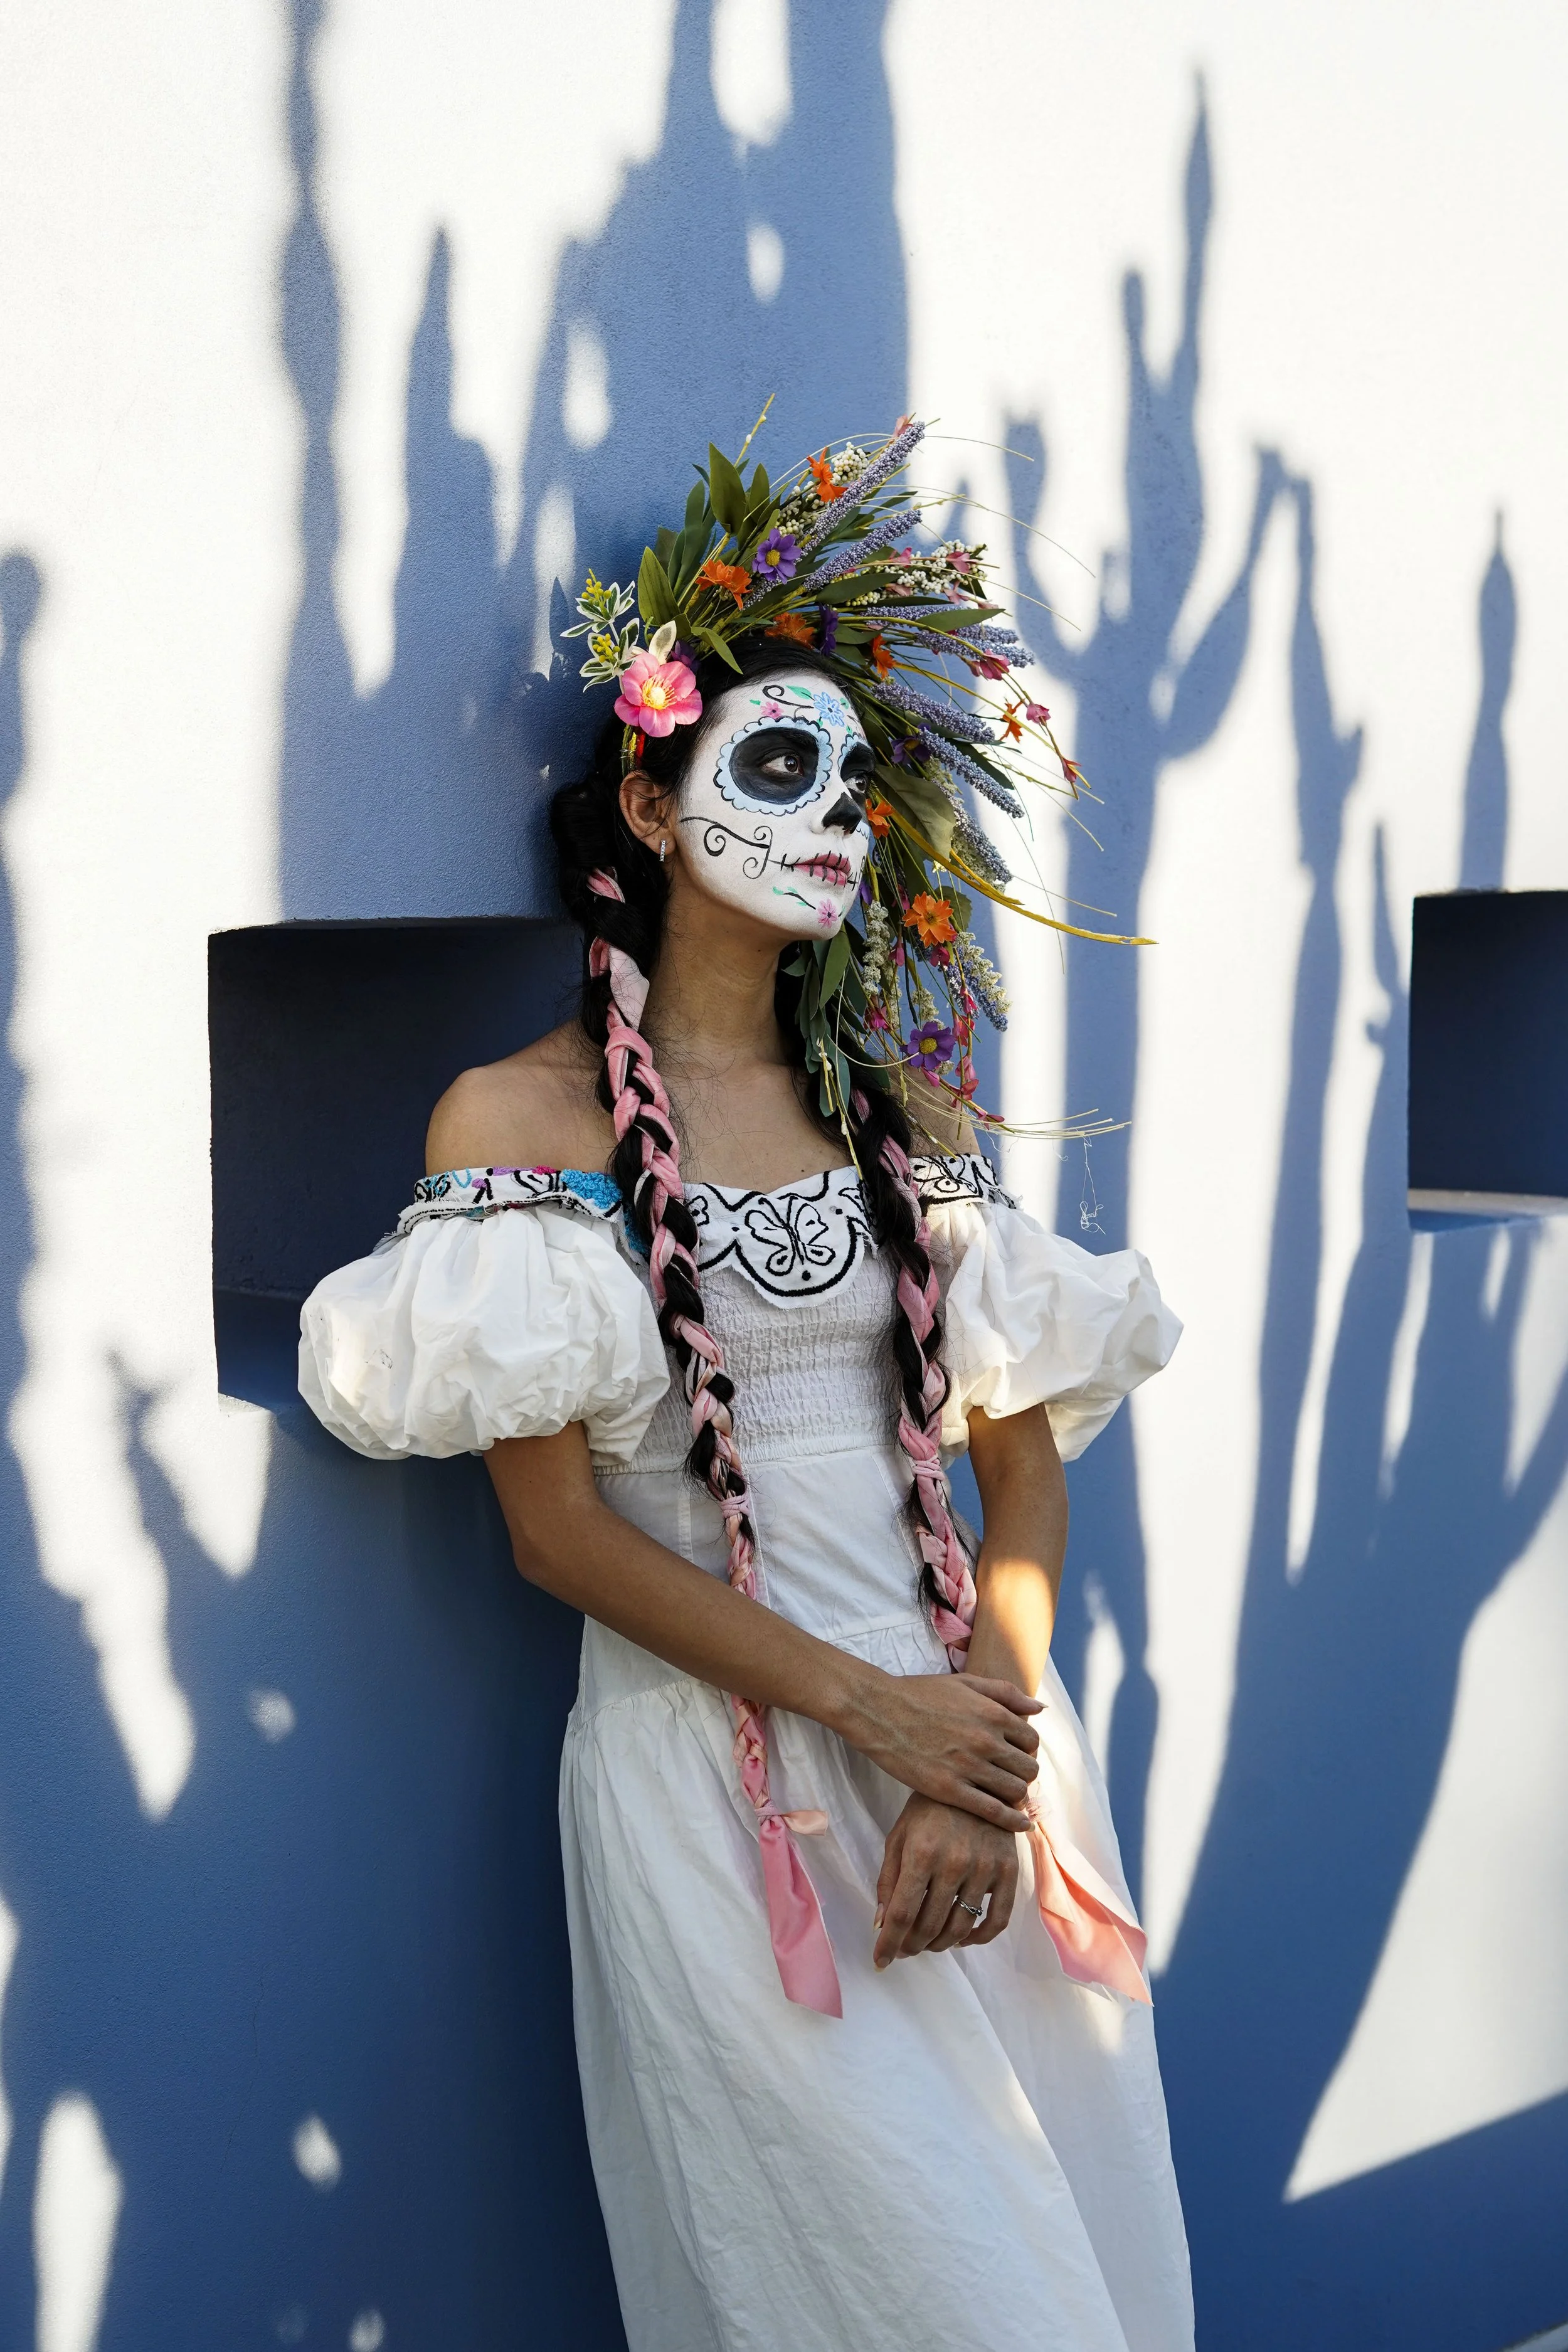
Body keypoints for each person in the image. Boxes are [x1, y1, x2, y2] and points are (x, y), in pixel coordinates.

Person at [300, 423, 1193, 2350]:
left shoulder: (911, 1114)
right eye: (776, 766)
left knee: (1074, 2265)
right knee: (904, 2298)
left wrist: (981, 1748)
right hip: (726, 1789)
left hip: (977, 1756)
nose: (830, 821)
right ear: (648, 786)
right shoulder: (518, 1123)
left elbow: (1015, 1483)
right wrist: (871, 1711)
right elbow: (553, 1536)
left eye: (856, 784)